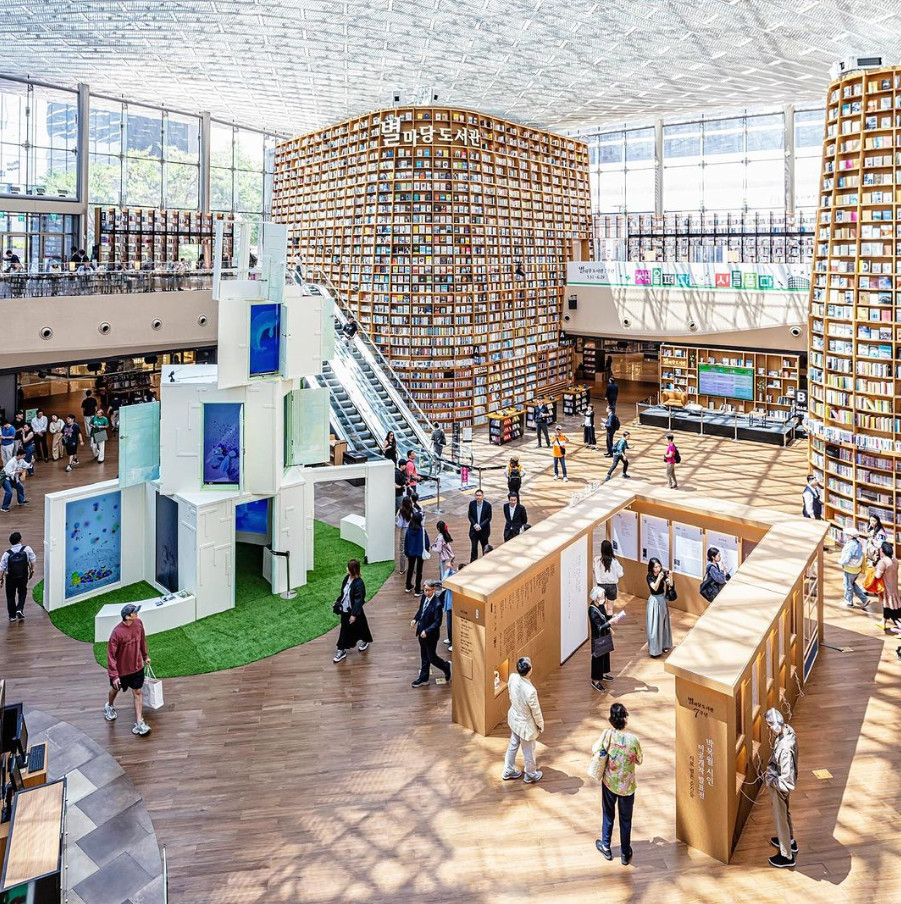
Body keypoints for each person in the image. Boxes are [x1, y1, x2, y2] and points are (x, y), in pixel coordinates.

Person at [595, 703, 642, 864]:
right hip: (627, 787)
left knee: (608, 814)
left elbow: (597, 750)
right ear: (625, 719)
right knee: (626, 819)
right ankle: (624, 852)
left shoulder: (608, 736)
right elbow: (640, 760)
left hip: (609, 782)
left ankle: (606, 847)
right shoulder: (633, 740)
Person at [104, 603, 152, 736]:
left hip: (137, 667)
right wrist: (114, 675)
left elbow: (142, 640)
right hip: (121, 672)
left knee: (137, 692)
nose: (137, 614)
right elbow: (111, 655)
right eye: (134, 612)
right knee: (115, 689)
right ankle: (110, 705)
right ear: (127, 616)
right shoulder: (117, 633)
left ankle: (139, 723)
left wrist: (145, 656)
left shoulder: (139, 623)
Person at [764, 708, 798, 868]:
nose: (769, 729)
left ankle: (786, 855)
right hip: (780, 784)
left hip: (780, 787)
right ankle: (789, 841)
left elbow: (788, 780)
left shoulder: (785, 749)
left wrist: (771, 781)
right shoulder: (789, 732)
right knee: (785, 813)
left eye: (769, 725)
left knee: (780, 818)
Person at [501, 656, 544, 783]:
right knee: (528, 750)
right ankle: (530, 774)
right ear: (529, 670)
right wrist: (540, 725)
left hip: (515, 719)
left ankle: (508, 770)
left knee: (513, 745)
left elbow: (510, 694)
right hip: (526, 726)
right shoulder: (531, 691)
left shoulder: (512, 677)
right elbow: (536, 711)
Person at [410, 580, 451, 687]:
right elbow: (421, 611)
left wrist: (426, 631)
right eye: (425, 590)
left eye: (428, 590)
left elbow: (437, 622)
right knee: (424, 656)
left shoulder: (437, 604)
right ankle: (424, 678)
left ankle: (446, 666)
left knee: (431, 657)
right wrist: (415, 619)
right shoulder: (424, 597)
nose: (426, 592)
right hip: (421, 633)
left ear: (433, 590)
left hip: (431, 636)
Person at [332, 558, 373, 663]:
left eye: (348, 567)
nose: (346, 569)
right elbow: (344, 594)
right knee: (346, 629)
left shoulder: (359, 583)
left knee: (360, 626)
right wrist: (338, 602)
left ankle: (341, 650)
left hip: (353, 611)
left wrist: (354, 614)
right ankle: (342, 649)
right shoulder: (347, 578)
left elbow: (359, 600)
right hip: (346, 611)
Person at [589, 592, 625, 691]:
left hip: (604, 636)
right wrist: (610, 622)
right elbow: (599, 627)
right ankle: (595, 680)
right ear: (596, 597)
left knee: (605, 656)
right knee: (597, 659)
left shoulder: (600, 606)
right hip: (598, 638)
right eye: (601, 596)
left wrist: (612, 619)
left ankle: (603, 674)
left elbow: (604, 619)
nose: (603, 598)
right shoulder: (592, 611)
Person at [0, 531, 36, 622]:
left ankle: (12, 616)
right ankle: (19, 608)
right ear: (20, 540)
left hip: (10, 578)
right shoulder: (27, 549)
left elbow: (2, 568)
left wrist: (1, 579)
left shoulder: (7, 554)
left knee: (10, 596)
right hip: (23, 575)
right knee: (22, 592)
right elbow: (32, 559)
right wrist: (32, 569)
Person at [645, 558, 673, 657]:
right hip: (654, 601)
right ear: (651, 568)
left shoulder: (662, 574)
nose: (658, 569)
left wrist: (670, 578)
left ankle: (664, 645)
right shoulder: (649, 577)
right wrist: (659, 578)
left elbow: (670, 585)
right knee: (654, 625)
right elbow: (655, 587)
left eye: (659, 566)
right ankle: (654, 649)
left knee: (664, 623)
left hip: (662, 599)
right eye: (655, 567)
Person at [838, 527, 868, 609]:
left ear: (851, 536)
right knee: (852, 584)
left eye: (847, 535)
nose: (846, 536)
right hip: (856, 569)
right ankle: (864, 599)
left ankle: (849, 602)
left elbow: (846, 559)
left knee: (848, 585)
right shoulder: (858, 543)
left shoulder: (850, 546)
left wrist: (840, 562)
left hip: (850, 569)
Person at [874, 541, 901, 632]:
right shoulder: (895, 560)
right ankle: (883, 622)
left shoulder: (883, 562)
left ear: (881, 550)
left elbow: (877, 575)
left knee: (889, 608)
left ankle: (899, 625)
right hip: (894, 587)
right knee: (888, 605)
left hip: (886, 587)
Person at [404, 510, 429, 595]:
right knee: (419, 571)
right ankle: (417, 590)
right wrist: (426, 551)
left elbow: (406, 542)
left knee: (410, 569)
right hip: (420, 553)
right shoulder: (422, 530)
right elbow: (426, 542)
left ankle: (408, 586)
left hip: (410, 553)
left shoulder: (409, 530)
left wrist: (406, 552)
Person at [467, 489, 492, 562]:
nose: (478, 497)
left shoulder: (488, 505)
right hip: (474, 531)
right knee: (474, 549)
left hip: (484, 531)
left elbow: (488, 518)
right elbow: (470, 516)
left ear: (483, 496)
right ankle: (472, 564)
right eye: (477, 495)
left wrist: (480, 525)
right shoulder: (472, 504)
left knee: (485, 549)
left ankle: (486, 563)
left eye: (480, 495)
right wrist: (475, 525)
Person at [443, 563, 460, 651]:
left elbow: (444, 582)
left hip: (455, 607)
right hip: (450, 605)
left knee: (453, 626)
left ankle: (454, 643)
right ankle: (450, 639)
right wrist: (449, 570)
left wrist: (449, 569)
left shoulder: (457, 581)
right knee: (449, 625)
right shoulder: (454, 575)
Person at [396, 494, 414, 573]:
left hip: (404, 531)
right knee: (412, 549)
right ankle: (413, 568)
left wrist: (396, 523)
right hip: (411, 530)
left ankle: (402, 569)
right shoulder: (412, 510)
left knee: (402, 550)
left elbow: (400, 525)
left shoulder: (401, 511)